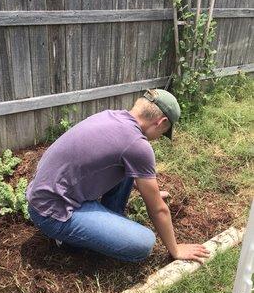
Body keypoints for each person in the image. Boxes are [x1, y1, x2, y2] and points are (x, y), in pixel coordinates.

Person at [26, 89, 210, 263]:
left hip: (43, 195)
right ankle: (69, 240)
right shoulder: (137, 145)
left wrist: (151, 194)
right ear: (160, 122)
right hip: (53, 213)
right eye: (163, 133)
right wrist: (176, 249)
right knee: (143, 243)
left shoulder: (110, 116)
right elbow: (158, 210)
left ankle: (104, 219)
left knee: (129, 167)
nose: (159, 138)